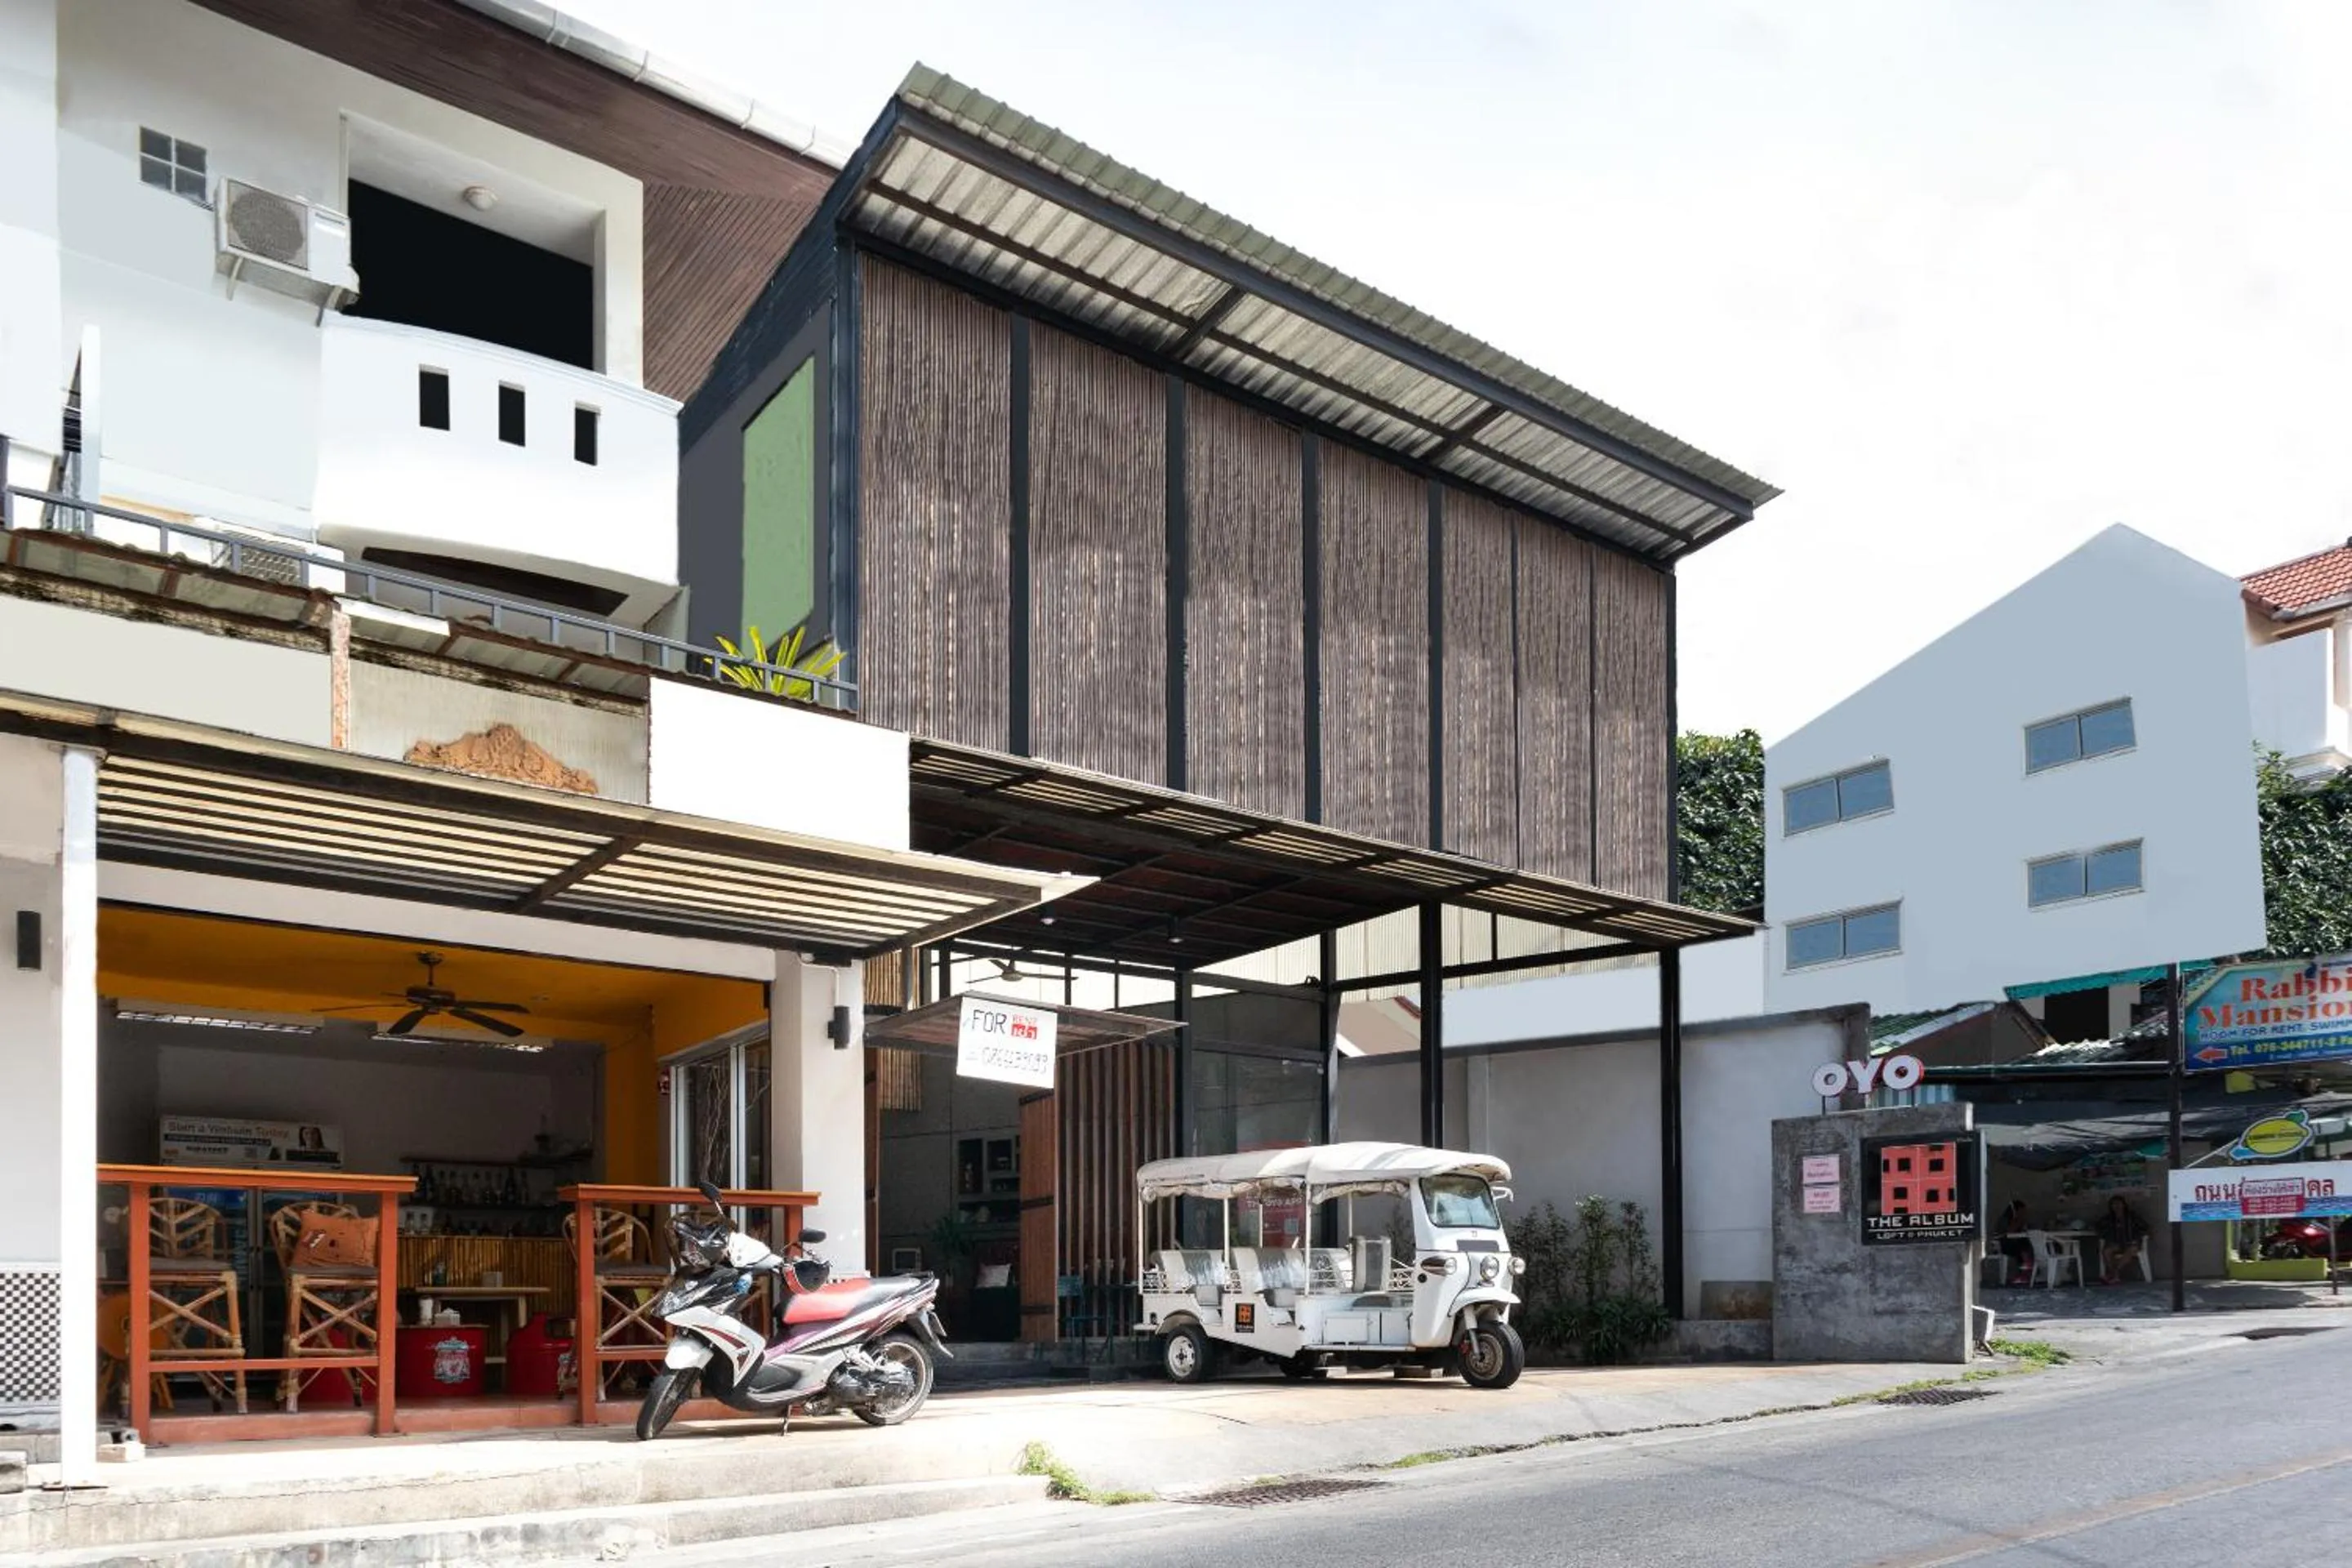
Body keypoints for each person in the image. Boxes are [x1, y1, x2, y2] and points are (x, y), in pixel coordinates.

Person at [2097, 1195, 2149, 1284]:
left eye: (2119, 1204)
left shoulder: (2132, 1216)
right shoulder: (2109, 1218)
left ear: (2124, 1205)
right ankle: (2115, 1275)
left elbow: (2145, 1228)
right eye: (2114, 1204)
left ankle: (2114, 1274)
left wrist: (2136, 1239)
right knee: (2107, 1251)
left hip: (2131, 1242)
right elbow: (2099, 1228)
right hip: (2117, 1243)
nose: (2117, 1206)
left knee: (2131, 1250)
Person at [1997, 1197, 2035, 1285]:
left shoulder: (2018, 1219)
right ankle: (2025, 1270)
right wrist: (2019, 1221)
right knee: (2023, 1247)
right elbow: (2008, 1232)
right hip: (2005, 1245)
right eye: (2022, 1211)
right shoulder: (2005, 1219)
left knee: (2027, 1244)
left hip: (2015, 1244)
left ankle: (2028, 1270)